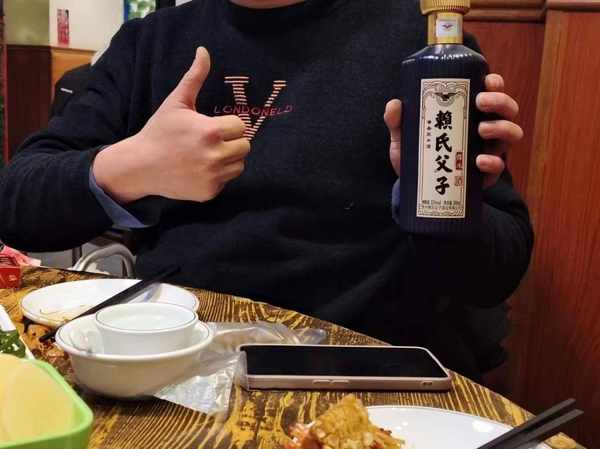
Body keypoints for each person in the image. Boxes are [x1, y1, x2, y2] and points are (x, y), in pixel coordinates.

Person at [0, 0, 532, 380]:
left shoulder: (423, 47)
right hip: (172, 360)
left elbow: (499, 269)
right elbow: (16, 201)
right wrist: (130, 167)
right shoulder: (152, 41)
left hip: (359, 367)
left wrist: (432, 200)